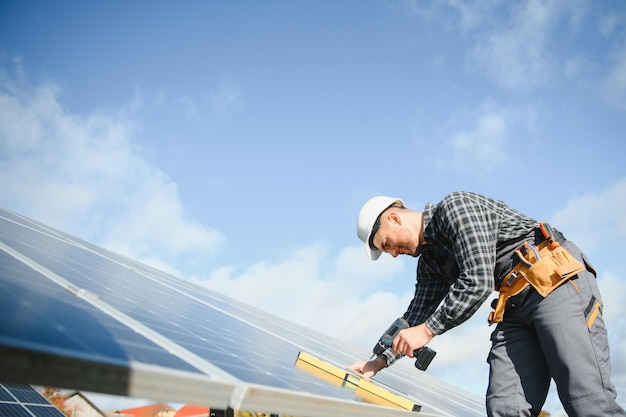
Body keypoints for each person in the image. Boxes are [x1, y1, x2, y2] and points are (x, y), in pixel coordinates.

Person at [349, 191, 625, 417]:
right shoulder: (430, 262)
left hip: (554, 282)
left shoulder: (455, 208)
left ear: (395, 218)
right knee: (506, 407)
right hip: (514, 306)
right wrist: (379, 361)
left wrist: (426, 331)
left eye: (387, 244)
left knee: (586, 400)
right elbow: (416, 315)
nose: (394, 254)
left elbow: (477, 281)